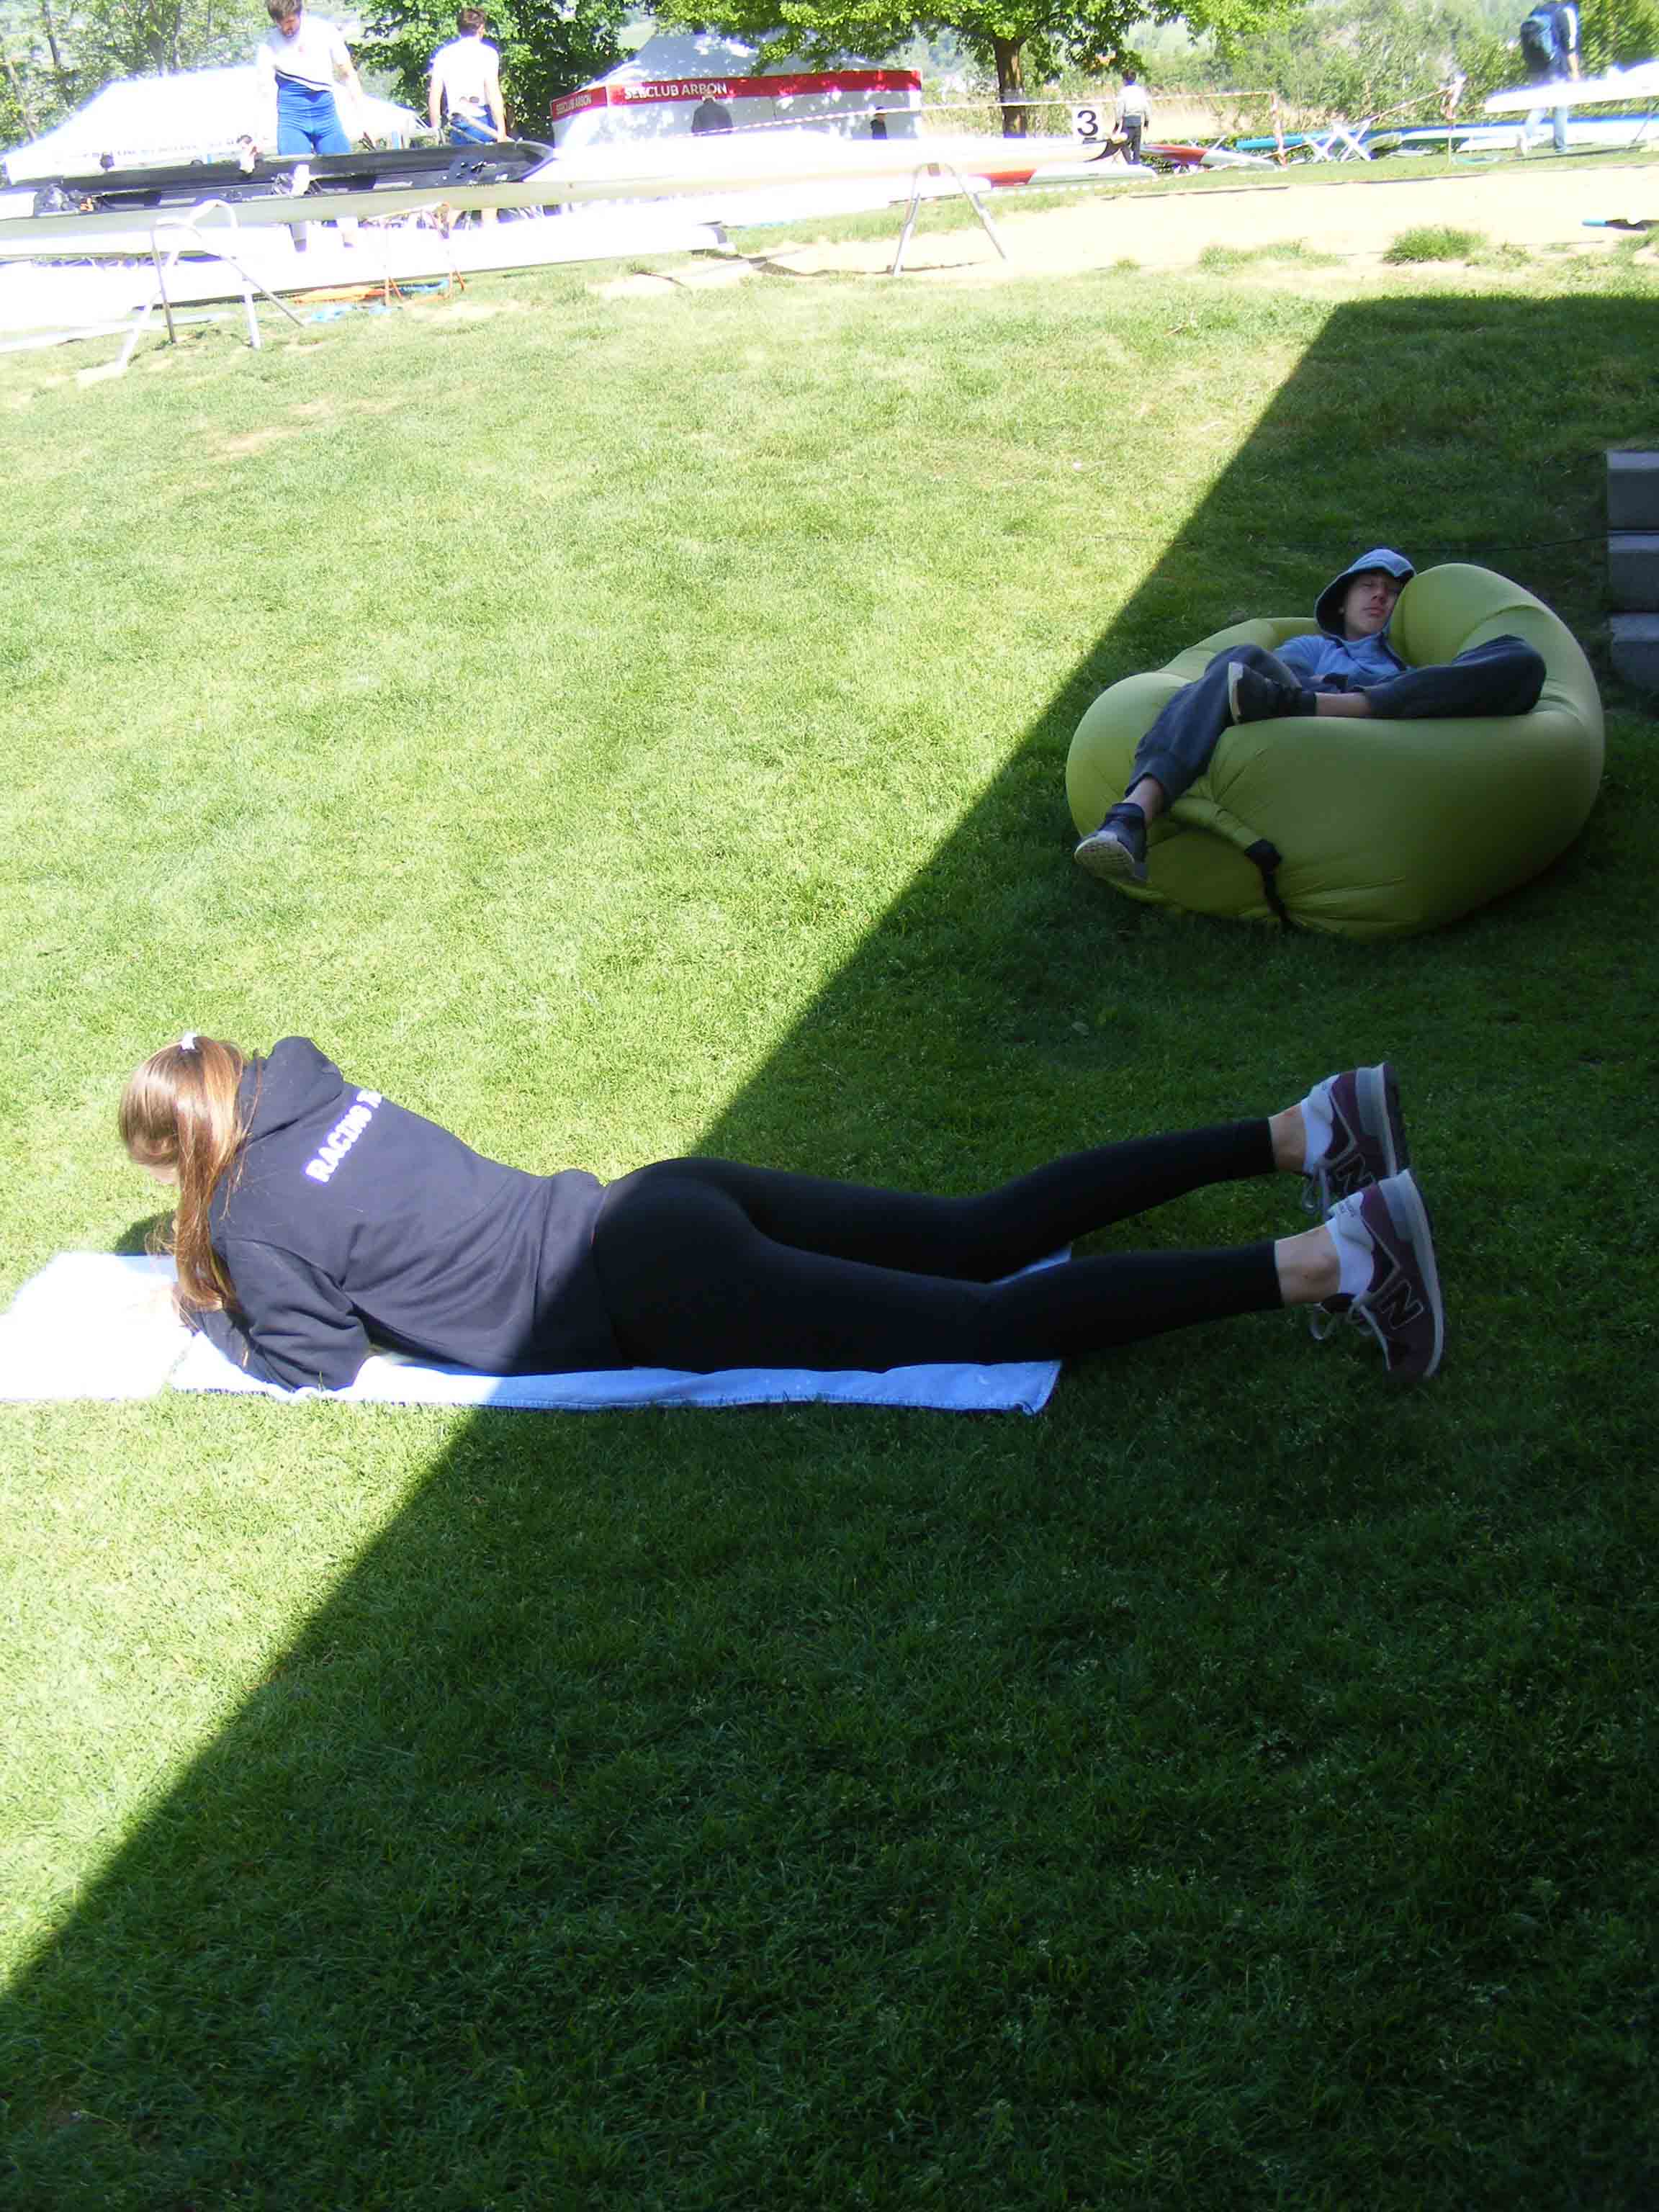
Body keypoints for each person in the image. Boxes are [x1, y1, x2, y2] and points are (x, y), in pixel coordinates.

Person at [120, 1036, 1446, 1390]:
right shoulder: (323, 1095)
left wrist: (213, 1319)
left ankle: (1333, 1258)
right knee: (978, 1232)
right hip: (656, 1197)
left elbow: (320, 1361)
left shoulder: (252, 1217)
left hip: (645, 1291)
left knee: (984, 1326)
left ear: (184, 1154)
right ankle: (1303, 1129)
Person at [1073, 547, 1547, 886]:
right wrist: (1328, 690)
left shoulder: (1413, 669)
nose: (1379, 597)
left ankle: (1354, 704)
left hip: (1386, 727)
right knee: (1240, 660)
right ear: (1343, 599)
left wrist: (1380, 692)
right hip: (1307, 711)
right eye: (1368, 586)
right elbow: (1262, 689)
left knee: (1522, 659)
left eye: (1392, 592)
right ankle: (1129, 820)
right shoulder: (1312, 647)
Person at [255, 0, 365, 159]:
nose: (286, 28)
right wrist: (260, 136)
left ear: (299, 14)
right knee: (296, 170)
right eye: (280, 23)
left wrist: (364, 120)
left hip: (326, 117)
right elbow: (265, 93)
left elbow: (348, 74)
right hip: (292, 120)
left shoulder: (324, 31)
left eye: (290, 21)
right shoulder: (268, 44)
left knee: (343, 166)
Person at [428, 7, 505, 146]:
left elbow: (434, 96)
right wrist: (502, 131)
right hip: (482, 123)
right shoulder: (488, 54)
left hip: (457, 124)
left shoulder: (443, 55)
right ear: (481, 28)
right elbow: (493, 93)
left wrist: (435, 130)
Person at [1518, 1, 1581, 155]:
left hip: (1534, 68)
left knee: (1540, 105)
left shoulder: (1537, 11)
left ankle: (1525, 135)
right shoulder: (1564, 12)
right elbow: (1569, 47)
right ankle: (1560, 146)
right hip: (1555, 68)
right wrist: (1575, 72)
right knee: (1561, 105)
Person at [1115, 73, 1151, 165]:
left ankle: (1130, 164)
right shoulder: (1140, 91)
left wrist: (1117, 124)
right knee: (1136, 147)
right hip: (1138, 121)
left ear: (1125, 80)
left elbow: (1120, 109)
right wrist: (1147, 121)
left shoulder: (1123, 92)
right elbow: (1146, 107)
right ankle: (1136, 164)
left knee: (1123, 144)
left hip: (1127, 122)